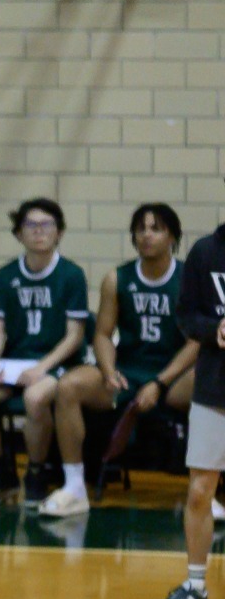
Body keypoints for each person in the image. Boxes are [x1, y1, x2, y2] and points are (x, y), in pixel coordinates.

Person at [42, 204, 198, 518]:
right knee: (68, 386)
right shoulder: (117, 278)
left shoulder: (188, 279)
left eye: (156, 228)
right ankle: (74, 487)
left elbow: (196, 341)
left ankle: (205, 491)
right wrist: (108, 370)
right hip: (130, 371)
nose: (147, 235)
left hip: (174, 375)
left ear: (172, 237)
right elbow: (102, 333)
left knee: (212, 392)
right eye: (141, 229)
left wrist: (159, 382)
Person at [0, 198, 90, 510]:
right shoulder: (7, 274)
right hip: (16, 359)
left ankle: (36, 471)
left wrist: (43, 367)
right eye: (31, 225)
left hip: (58, 363)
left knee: (35, 398)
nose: (39, 231)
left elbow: (75, 335)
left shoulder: (71, 275)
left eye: (46, 225)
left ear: (59, 232)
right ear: (19, 233)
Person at [150, 201, 225, 599]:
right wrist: (213, 330)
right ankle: (195, 587)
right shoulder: (205, 253)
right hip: (215, 388)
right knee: (200, 491)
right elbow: (186, 316)